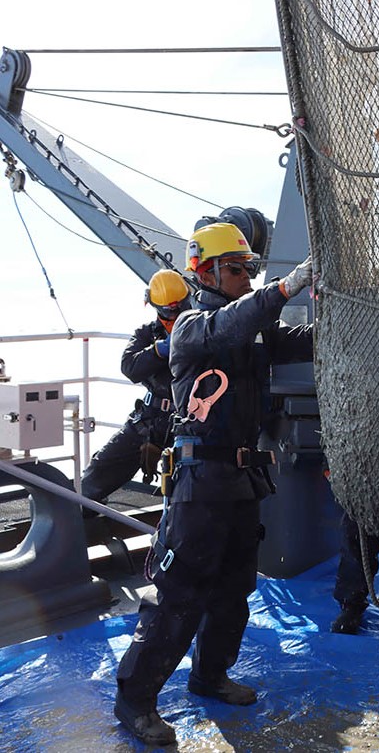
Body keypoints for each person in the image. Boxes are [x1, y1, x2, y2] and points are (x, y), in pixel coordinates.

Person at [112, 221, 315, 746]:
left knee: (233, 591)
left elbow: (303, 340)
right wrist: (287, 287)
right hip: (199, 484)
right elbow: (231, 324)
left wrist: (347, 310)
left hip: (243, 481)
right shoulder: (190, 327)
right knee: (180, 595)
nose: (248, 278)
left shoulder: (250, 328)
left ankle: (209, 675)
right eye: (237, 269)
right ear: (203, 271)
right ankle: (135, 699)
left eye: (252, 270)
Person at [80, 270, 191, 509]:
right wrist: (160, 349)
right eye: (169, 310)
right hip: (153, 418)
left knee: (194, 483)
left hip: (192, 417)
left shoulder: (203, 327)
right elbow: (129, 367)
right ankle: (79, 513)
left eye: (179, 307)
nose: (175, 314)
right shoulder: (147, 333)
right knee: (97, 473)